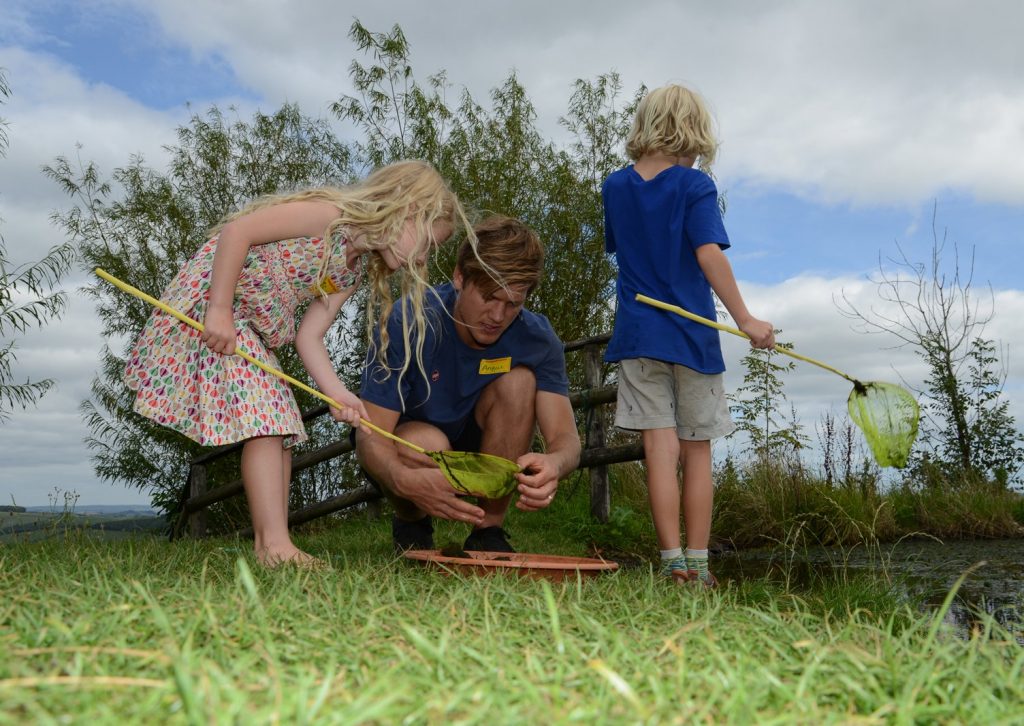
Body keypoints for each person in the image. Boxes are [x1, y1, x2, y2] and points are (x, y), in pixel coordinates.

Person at [124, 160, 474, 566]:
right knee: (269, 418)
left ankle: (271, 543)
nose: (424, 259)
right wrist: (218, 309)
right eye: (429, 245)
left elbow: (310, 336)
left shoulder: (350, 272)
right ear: (407, 211)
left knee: (283, 426)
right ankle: (273, 546)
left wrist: (338, 393)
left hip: (249, 327)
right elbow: (238, 232)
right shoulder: (328, 217)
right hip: (219, 307)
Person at [602, 84, 775, 588]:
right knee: (696, 449)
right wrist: (745, 319)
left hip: (638, 334)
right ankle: (699, 567)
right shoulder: (694, 186)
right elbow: (707, 253)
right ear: (691, 130)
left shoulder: (615, 186)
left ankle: (672, 563)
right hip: (692, 337)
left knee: (660, 449)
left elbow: (627, 250)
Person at [354, 215, 582, 553]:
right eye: (489, 296)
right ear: (460, 277)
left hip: (482, 441)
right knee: (423, 441)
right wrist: (401, 480)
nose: (498, 316)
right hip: (416, 441)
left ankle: (487, 531)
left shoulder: (538, 339)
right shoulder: (408, 319)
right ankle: (412, 520)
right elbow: (369, 436)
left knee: (520, 381)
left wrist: (554, 465)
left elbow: (566, 440)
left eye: (513, 304)